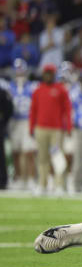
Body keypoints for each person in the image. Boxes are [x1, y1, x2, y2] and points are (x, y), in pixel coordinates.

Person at [29, 64, 73, 195]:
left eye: (50, 73)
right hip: (40, 128)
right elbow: (33, 111)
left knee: (57, 157)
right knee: (42, 158)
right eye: (46, 73)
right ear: (43, 74)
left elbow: (67, 109)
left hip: (56, 130)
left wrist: (69, 126)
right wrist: (31, 127)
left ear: (54, 74)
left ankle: (59, 185)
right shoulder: (38, 90)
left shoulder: (61, 90)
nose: (48, 75)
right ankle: (42, 184)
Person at [7, 59, 37, 190]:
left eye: (21, 72)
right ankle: (18, 178)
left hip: (27, 121)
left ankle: (30, 178)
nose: (19, 75)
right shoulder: (9, 87)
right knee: (15, 151)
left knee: (29, 152)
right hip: (14, 121)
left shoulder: (31, 87)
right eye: (17, 73)